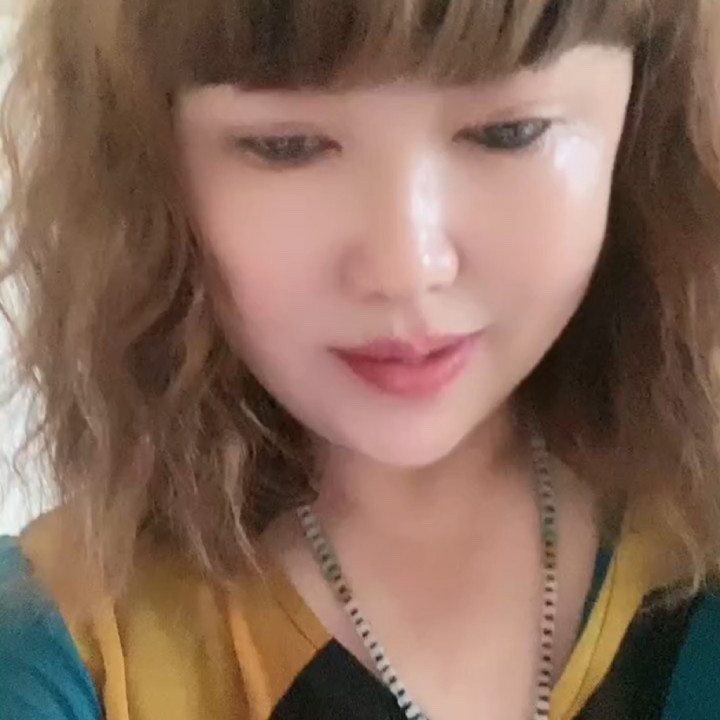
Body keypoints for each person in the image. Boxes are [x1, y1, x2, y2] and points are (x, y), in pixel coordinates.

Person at [1, 0, 720, 718]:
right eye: (285, 146)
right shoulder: (68, 644)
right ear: (149, 161)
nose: (406, 267)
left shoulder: (697, 551)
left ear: (641, 119)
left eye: (509, 133)